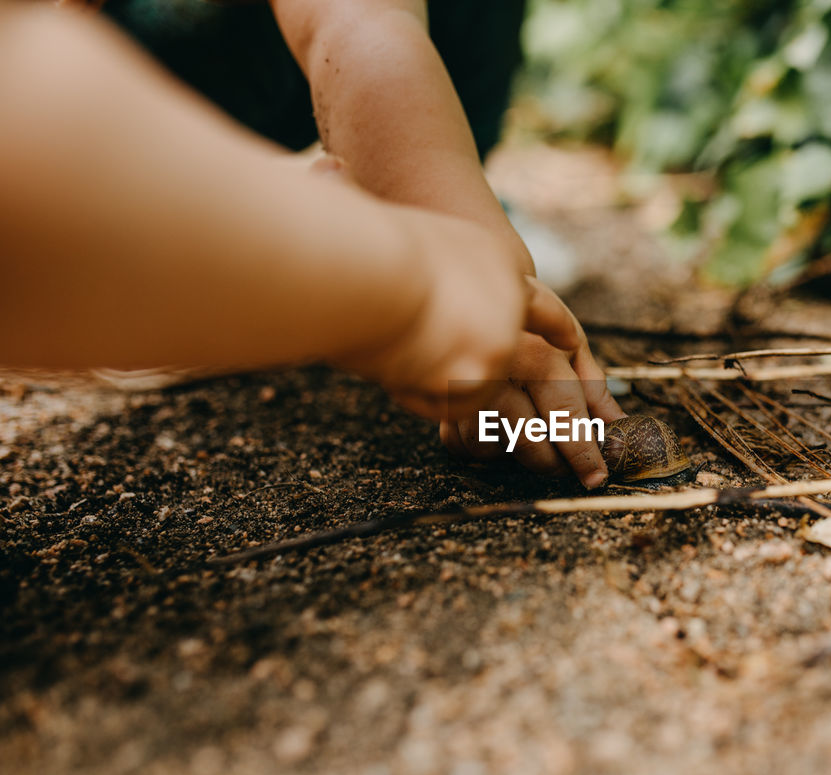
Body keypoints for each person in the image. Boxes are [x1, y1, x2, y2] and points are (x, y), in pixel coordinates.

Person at [0, 0, 623, 489]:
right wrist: (410, 292)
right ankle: (259, 205)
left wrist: (470, 241)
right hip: (143, 84)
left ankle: (346, 198)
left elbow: (360, 28)